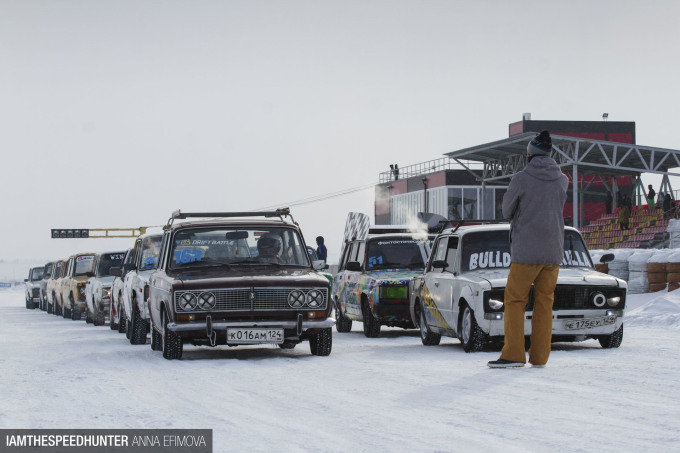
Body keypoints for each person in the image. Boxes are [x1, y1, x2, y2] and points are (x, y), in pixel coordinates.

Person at [488, 130, 568, 369]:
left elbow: (507, 211)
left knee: (514, 300)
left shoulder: (521, 179)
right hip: (553, 251)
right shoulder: (562, 179)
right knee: (545, 303)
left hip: (526, 252)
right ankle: (540, 356)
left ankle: (513, 354)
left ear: (530, 155)